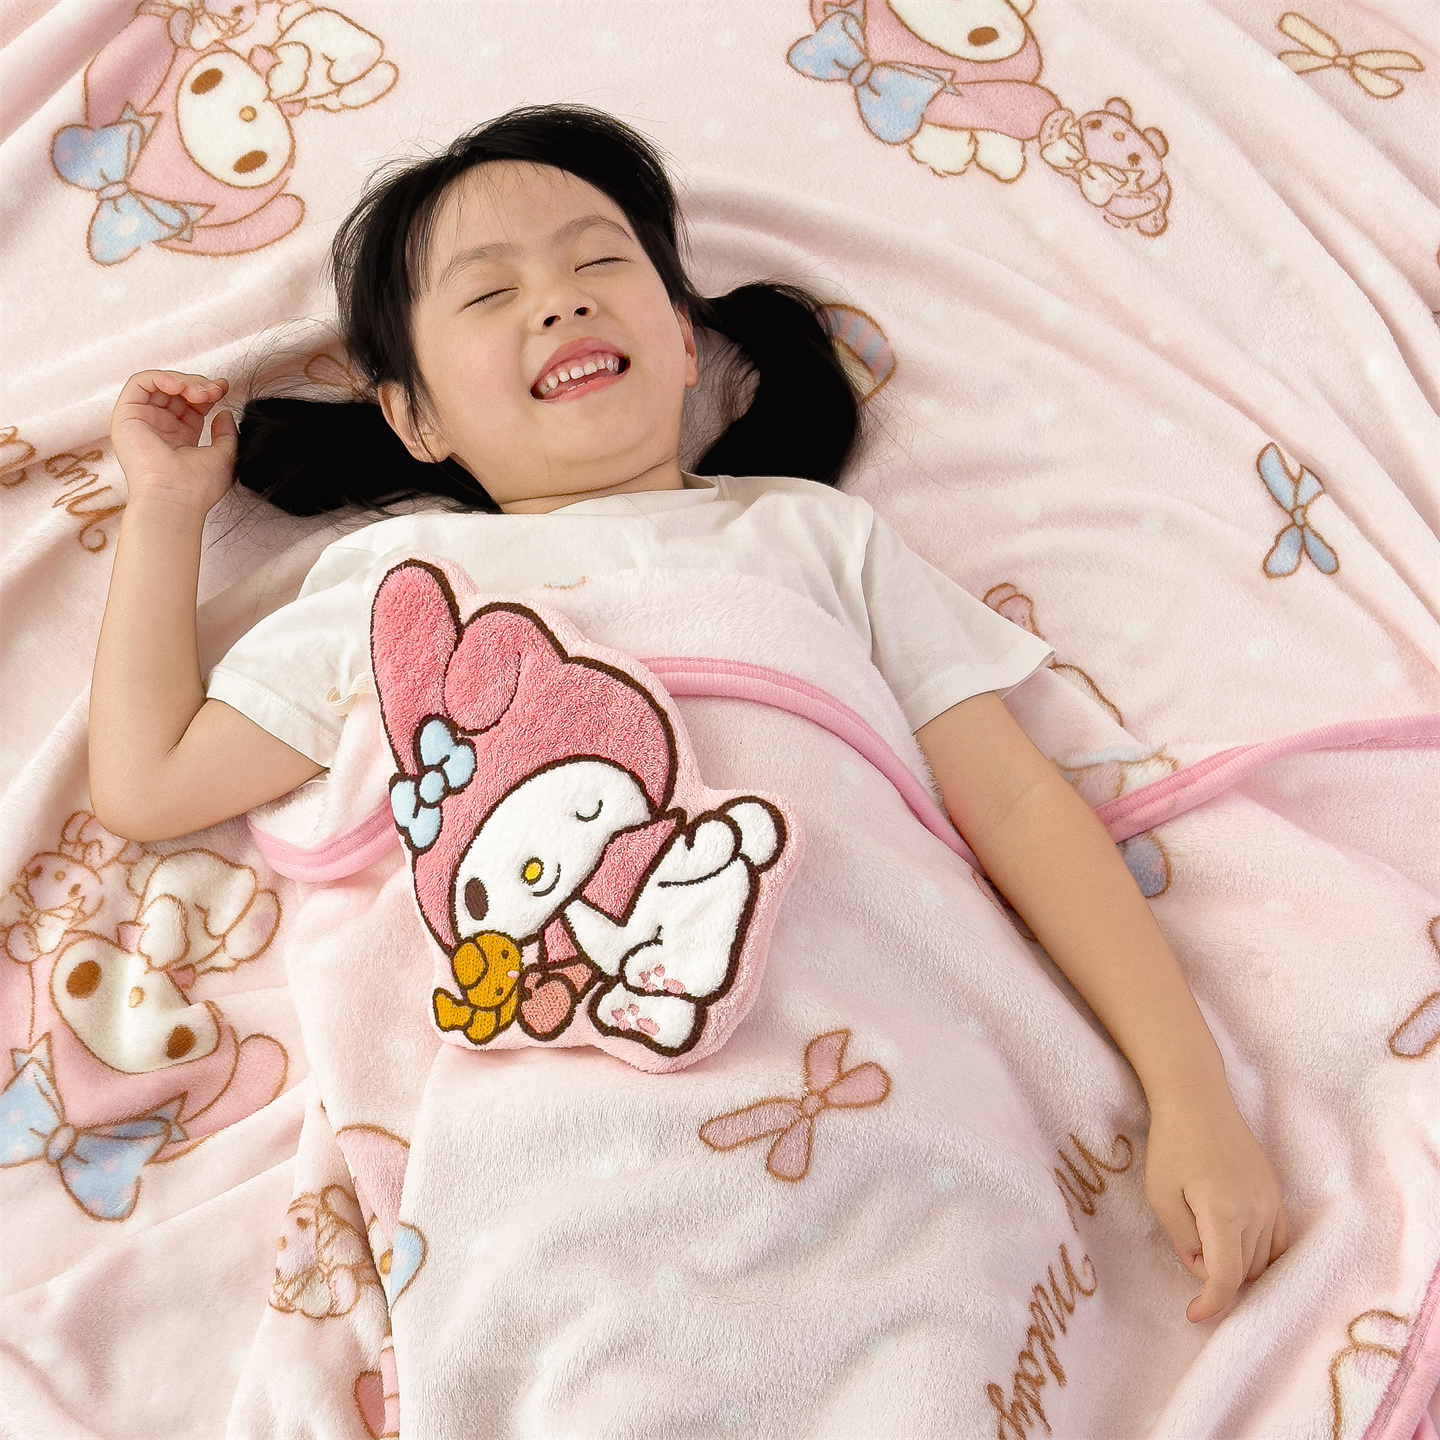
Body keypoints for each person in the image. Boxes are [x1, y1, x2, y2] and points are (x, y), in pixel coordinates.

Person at [89, 104, 1287, 1323]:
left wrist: (1190, 1092)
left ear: (680, 340)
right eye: (491, 293)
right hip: (565, 1131)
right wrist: (166, 509)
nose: (560, 301)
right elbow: (149, 779)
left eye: (599, 262)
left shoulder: (814, 535)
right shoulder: (400, 590)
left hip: (876, 1066)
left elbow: (1019, 805)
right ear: (416, 417)